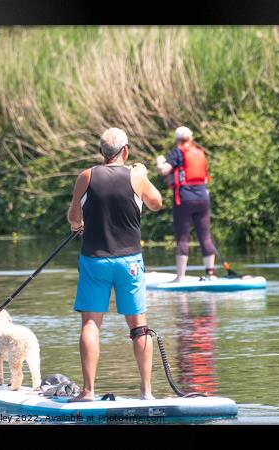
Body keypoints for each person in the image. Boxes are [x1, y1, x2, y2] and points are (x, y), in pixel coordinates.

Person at [67, 127, 163, 402]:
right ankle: (146, 392)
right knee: (138, 325)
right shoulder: (136, 176)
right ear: (125, 151)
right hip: (129, 261)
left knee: (91, 324)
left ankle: (88, 391)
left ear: (101, 153)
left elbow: (74, 216)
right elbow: (156, 203)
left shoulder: (86, 176)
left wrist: (78, 223)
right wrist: (143, 176)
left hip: (94, 260)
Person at [156, 126, 218, 282]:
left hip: (184, 199)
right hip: (203, 197)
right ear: (191, 138)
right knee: (205, 237)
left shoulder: (177, 152)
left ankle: (180, 277)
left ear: (177, 139)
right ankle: (211, 274)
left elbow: (164, 171)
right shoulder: (200, 152)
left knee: (182, 237)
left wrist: (159, 162)